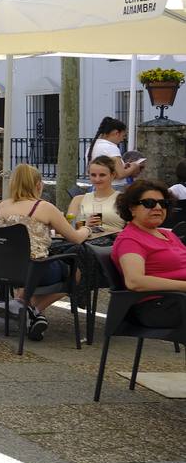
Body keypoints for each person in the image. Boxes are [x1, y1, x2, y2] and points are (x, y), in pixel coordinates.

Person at [0, 163, 90, 340]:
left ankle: (21, 307)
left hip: (5, 270)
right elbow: (74, 237)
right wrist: (88, 230)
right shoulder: (43, 207)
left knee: (40, 264)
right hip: (36, 269)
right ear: (38, 184)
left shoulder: (0, 207)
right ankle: (32, 310)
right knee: (76, 273)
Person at [111, 179, 186, 331]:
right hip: (158, 306)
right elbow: (134, 281)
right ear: (132, 208)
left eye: (163, 203)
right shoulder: (130, 240)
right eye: (149, 203)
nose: (158, 207)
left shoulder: (167, 234)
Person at [67, 156, 126, 236]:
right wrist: (85, 224)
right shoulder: (78, 200)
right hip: (83, 244)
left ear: (113, 175)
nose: (97, 179)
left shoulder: (123, 199)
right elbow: (67, 226)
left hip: (111, 244)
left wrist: (105, 228)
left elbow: (133, 231)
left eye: (102, 175)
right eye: (93, 175)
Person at [89, 117, 146, 185]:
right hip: (114, 187)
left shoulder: (92, 147)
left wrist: (123, 166)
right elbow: (120, 174)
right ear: (116, 133)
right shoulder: (111, 147)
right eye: (123, 136)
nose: (122, 140)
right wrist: (134, 167)